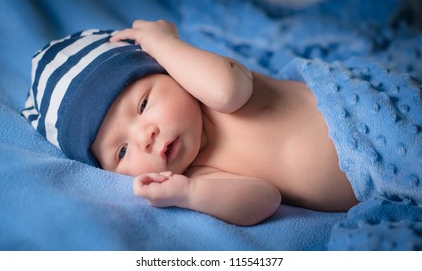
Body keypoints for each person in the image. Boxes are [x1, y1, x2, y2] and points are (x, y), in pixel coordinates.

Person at [23, 20, 358, 226]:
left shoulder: (212, 85)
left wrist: (164, 43)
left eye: (143, 104)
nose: (145, 138)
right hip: (381, 184)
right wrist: (190, 194)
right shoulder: (198, 172)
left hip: (369, 110)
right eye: (122, 151)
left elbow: (229, 92)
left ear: (166, 68)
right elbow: (264, 200)